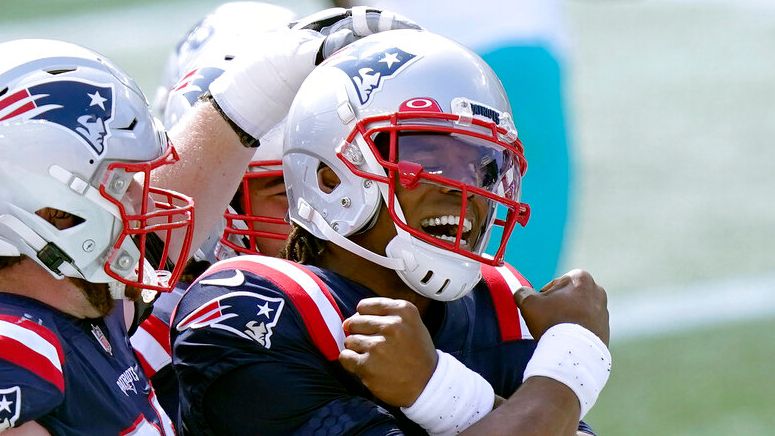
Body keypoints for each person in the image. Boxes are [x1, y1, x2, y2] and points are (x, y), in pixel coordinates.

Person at [171, 29, 611, 435]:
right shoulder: (250, 309)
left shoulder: (501, 299)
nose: (461, 186)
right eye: (425, 158)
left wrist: (441, 390)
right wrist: (570, 365)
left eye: (480, 163)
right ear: (330, 177)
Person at [0, 38, 191, 434]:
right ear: (53, 213)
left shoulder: (91, 303)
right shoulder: (15, 344)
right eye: (121, 184)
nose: (146, 204)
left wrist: (252, 97)